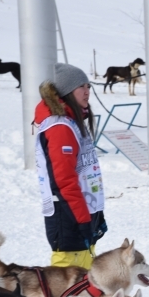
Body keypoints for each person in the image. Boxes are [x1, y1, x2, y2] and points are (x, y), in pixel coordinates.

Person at [35, 63, 107, 268]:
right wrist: (82, 220)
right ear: (67, 91)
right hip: (68, 217)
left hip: (79, 213)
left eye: (88, 86)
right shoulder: (60, 127)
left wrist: (96, 215)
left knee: (83, 287)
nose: (87, 92)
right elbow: (63, 181)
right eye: (81, 87)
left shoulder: (72, 122)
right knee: (67, 293)